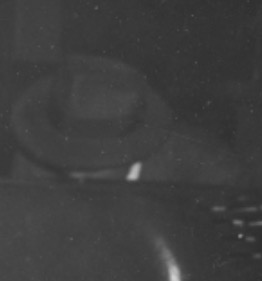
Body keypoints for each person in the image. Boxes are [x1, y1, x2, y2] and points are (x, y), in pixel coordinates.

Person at [8, 54, 239, 184]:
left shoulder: (202, 163)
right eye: (66, 158)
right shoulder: (35, 155)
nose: (76, 176)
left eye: (91, 168)